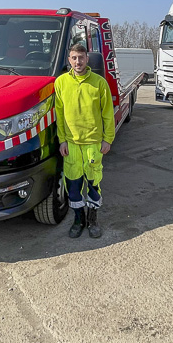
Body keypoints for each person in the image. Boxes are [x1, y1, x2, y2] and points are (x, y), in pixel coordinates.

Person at [54, 44, 115, 238]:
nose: (78, 62)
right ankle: (78, 219)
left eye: (81, 57)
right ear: (69, 60)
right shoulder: (61, 83)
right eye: (74, 58)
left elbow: (107, 114)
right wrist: (62, 140)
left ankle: (93, 219)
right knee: (73, 184)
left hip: (93, 144)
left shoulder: (99, 83)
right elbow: (60, 114)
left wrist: (108, 139)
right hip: (71, 145)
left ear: (87, 59)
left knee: (93, 183)